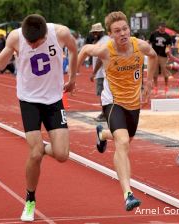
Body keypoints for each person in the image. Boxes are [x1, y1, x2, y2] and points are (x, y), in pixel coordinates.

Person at [0, 14, 77, 222]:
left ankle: (41, 147)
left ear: (44, 36)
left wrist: (73, 78)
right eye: (29, 42)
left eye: (35, 43)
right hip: (29, 101)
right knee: (34, 154)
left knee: (62, 155)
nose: (32, 46)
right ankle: (30, 200)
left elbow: (74, 48)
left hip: (53, 100)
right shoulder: (16, 38)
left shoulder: (60, 33)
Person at [77, 11, 157, 211]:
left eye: (125, 29)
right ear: (110, 34)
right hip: (113, 102)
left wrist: (148, 82)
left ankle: (102, 134)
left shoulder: (140, 45)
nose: (122, 33)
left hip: (133, 103)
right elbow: (85, 50)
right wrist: (71, 76)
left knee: (126, 139)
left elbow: (153, 55)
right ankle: (128, 194)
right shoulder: (106, 50)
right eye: (117, 31)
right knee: (122, 143)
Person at [88, 23, 110, 122]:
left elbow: (100, 59)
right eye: (93, 32)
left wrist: (94, 72)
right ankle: (106, 113)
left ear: (101, 31)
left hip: (102, 72)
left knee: (102, 94)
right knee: (105, 94)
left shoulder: (103, 41)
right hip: (103, 72)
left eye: (97, 32)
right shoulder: (102, 40)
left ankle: (105, 113)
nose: (95, 33)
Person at [149, 22, 172, 95]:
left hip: (163, 55)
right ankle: (156, 87)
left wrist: (168, 49)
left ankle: (166, 86)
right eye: (161, 26)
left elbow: (169, 45)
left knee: (165, 71)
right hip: (154, 55)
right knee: (155, 72)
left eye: (163, 27)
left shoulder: (167, 36)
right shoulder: (154, 34)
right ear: (159, 27)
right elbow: (149, 42)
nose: (162, 28)